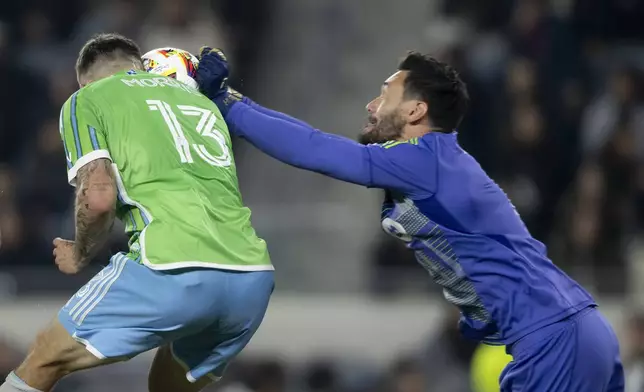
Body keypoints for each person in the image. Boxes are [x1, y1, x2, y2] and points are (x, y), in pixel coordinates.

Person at [193, 47, 624, 391]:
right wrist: (232, 100)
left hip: (551, 339)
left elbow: (316, 149)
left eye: (385, 93)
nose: (372, 104)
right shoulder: (438, 162)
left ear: (416, 111)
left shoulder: (425, 158)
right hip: (572, 332)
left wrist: (229, 108)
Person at [0, 34, 274, 392]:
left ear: (88, 79)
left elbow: (98, 198)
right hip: (250, 276)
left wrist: (79, 252)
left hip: (171, 265)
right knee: (167, 386)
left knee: (45, 356)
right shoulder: (202, 105)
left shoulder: (88, 98)